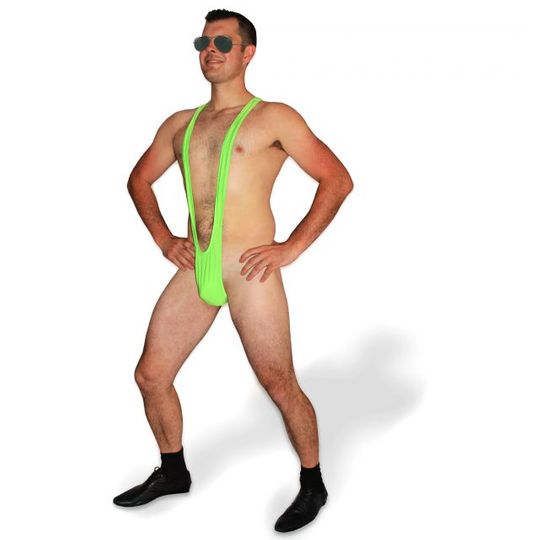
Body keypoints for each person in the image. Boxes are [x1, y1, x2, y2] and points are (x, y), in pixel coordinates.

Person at [112, 8, 354, 533]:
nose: (211, 50)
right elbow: (138, 181)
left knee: (278, 382)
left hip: (250, 269)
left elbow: (337, 180)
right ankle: (173, 471)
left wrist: (291, 247)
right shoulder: (180, 124)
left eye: (223, 42)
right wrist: (164, 239)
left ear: (248, 53)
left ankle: (313, 483)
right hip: (197, 266)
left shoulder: (275, 117)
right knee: (151, 376)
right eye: (204, 42)